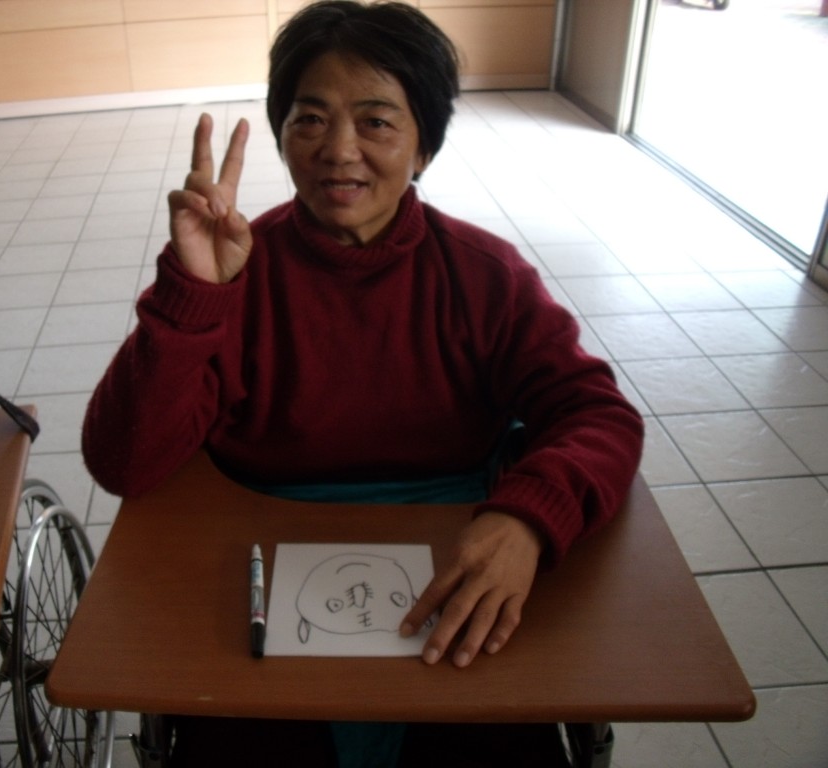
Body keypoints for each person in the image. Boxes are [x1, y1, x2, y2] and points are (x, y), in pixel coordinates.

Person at [82, 1, 644, 764]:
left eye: (376, 121)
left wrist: (529, 521)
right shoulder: (235, 273)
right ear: (282, 136)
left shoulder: (485, 275)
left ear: (424, 147)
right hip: (258, 561)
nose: (338, 151)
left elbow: (598, 416)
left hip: (456, 559)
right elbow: (122, 462)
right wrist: (193, 296)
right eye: (310, 120)